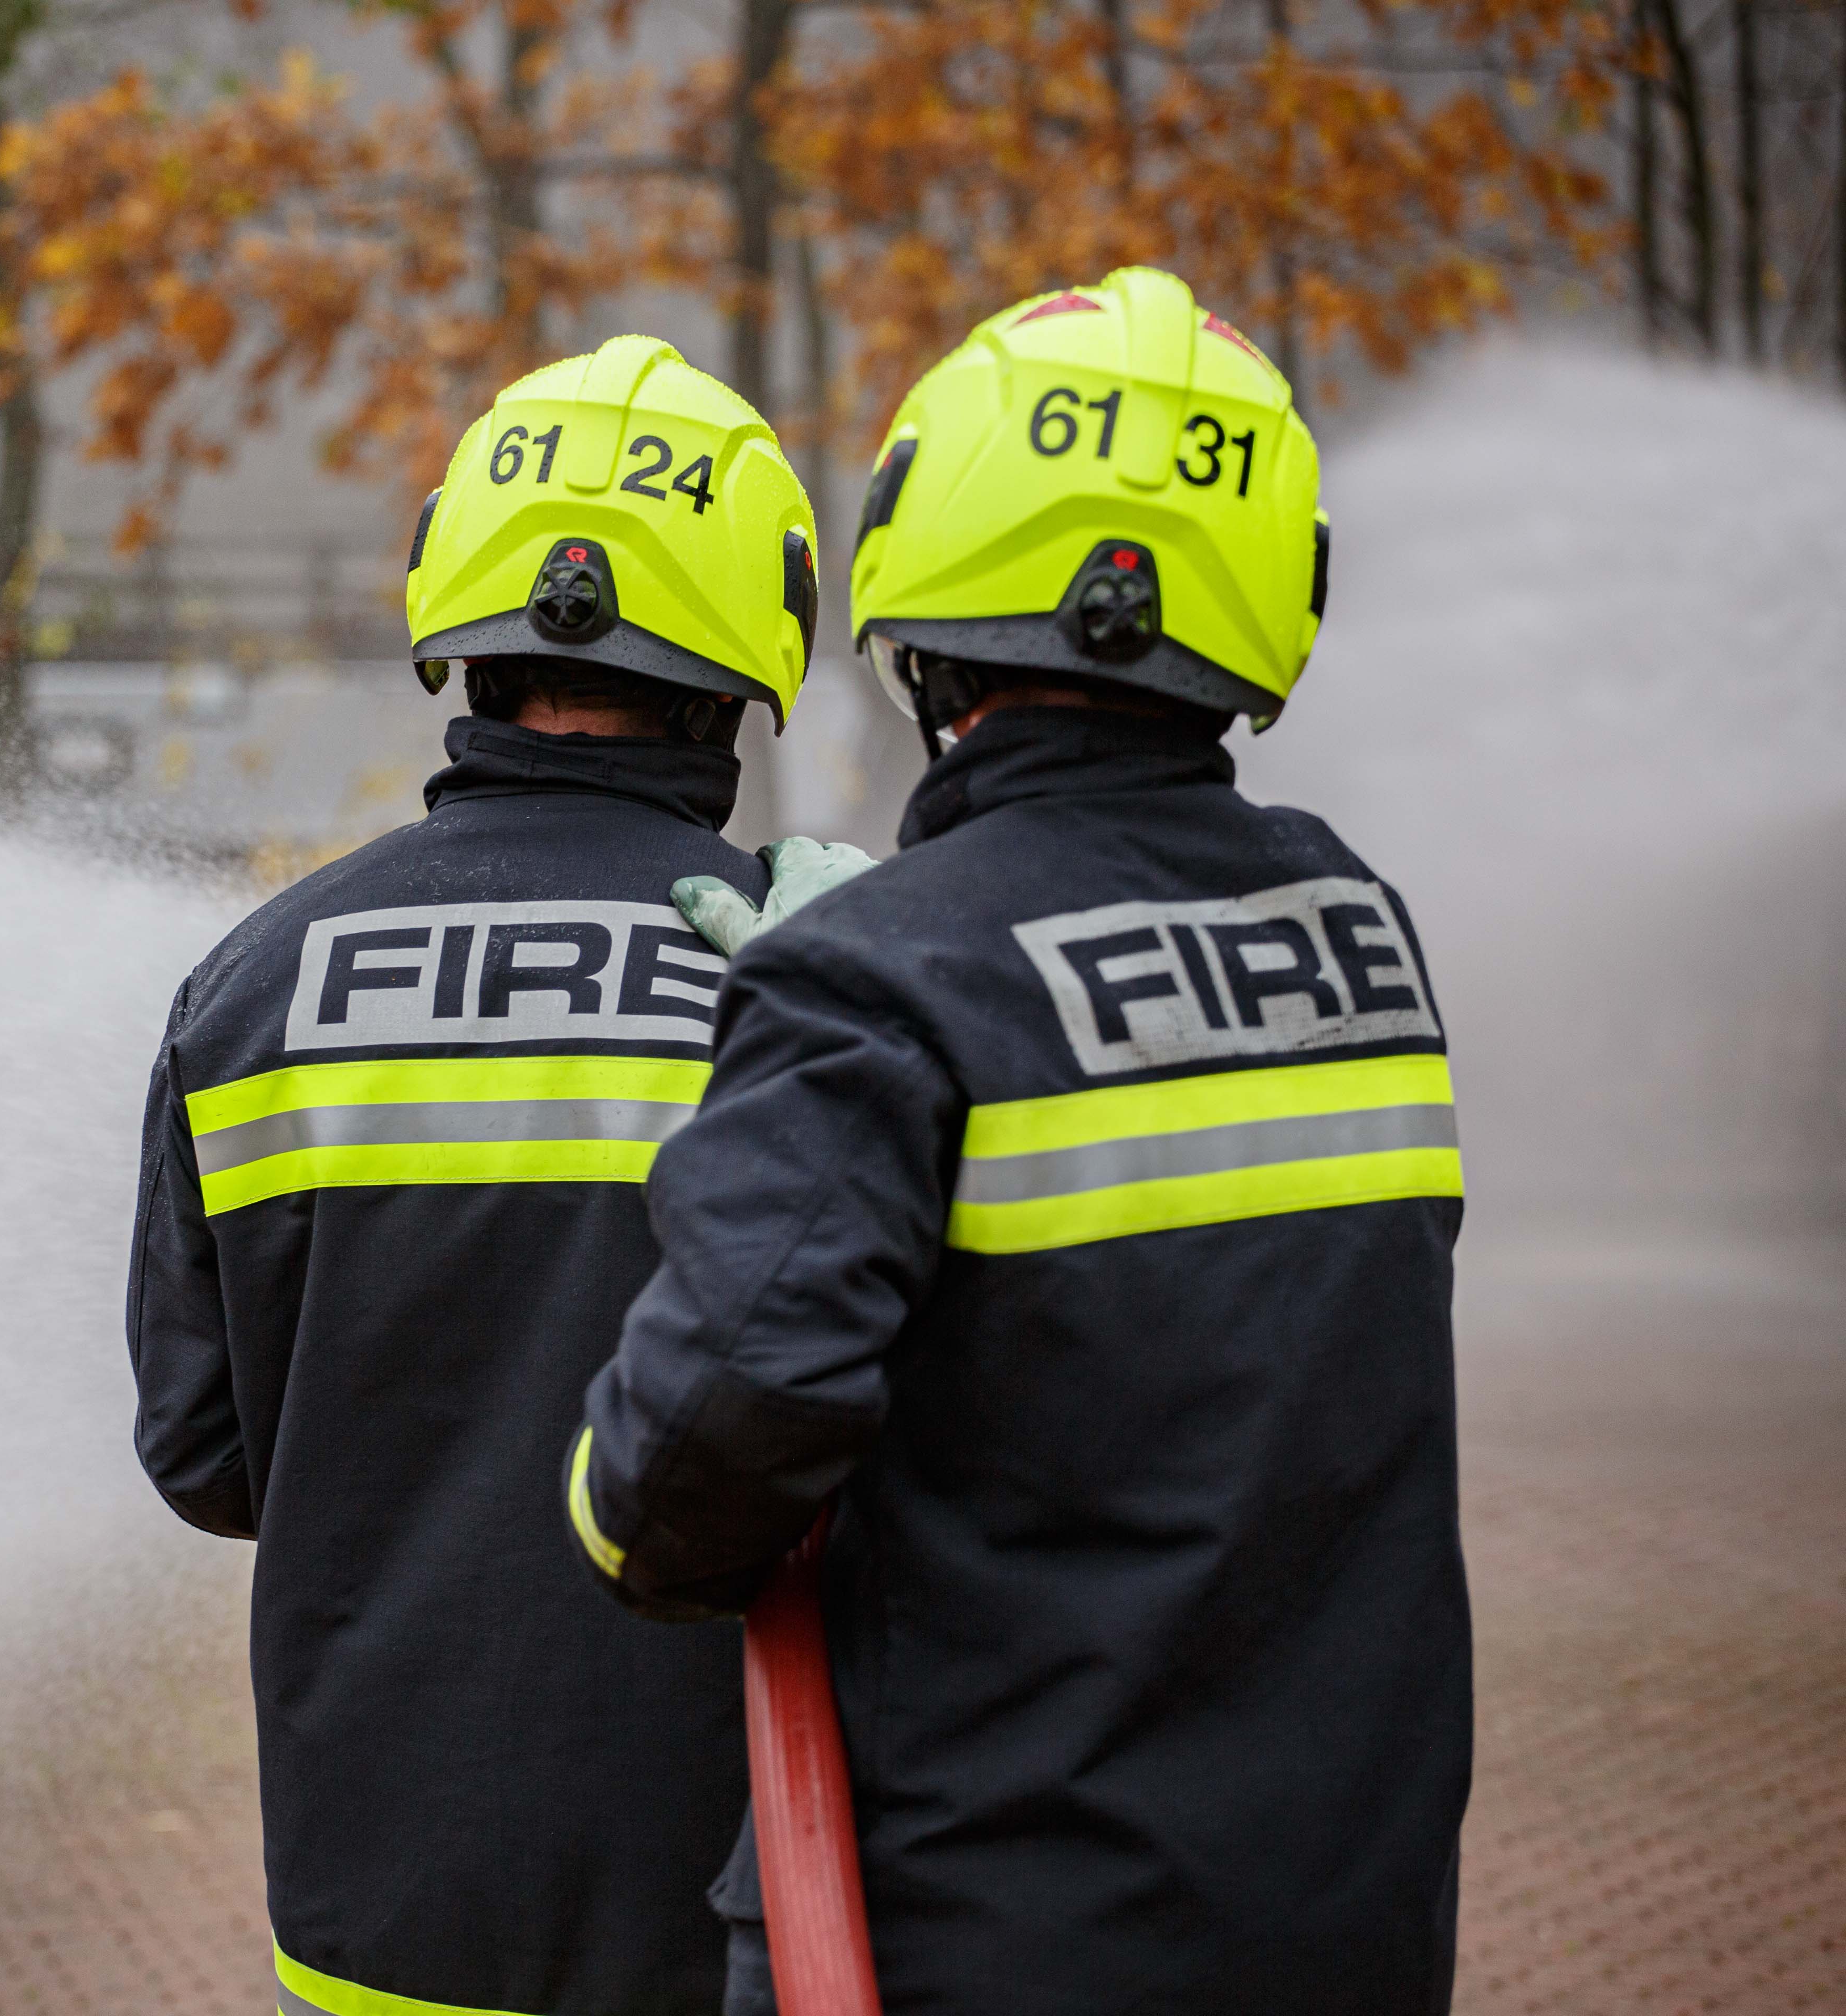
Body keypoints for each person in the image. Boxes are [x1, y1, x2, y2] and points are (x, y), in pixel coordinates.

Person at [568, 266, 1472, 2015]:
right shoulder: (1357, 933)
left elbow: (688, 1472)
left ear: (929, 587)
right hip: (1344, 1916)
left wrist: (827, 1012)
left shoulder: (879, 979)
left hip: (1000, 1930)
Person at [127, 334, 863, 2016]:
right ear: (757, 632)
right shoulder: (807, 986)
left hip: (376, 1916)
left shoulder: (254, 987)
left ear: (453, 603)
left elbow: (203, 1456)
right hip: (723, 1918)